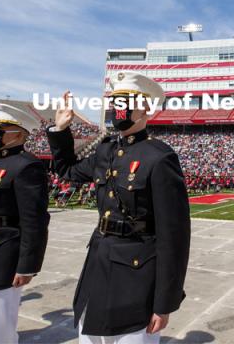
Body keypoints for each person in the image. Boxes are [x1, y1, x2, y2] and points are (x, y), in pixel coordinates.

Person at [46, 72, 191, 343]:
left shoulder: (159, 157)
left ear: (146, 108)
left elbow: (174, 237)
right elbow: (66, 170)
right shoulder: (105, 151)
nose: (117, 108)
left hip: (136, 280)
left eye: (125, 102)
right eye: (115, 102)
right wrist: (60, 131)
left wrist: (164, 302)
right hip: (97, 268)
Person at [0, 103, 50, 344]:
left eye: (0, 129)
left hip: (3, 256)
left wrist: (27, 266)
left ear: (18, 134)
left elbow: (34, 220)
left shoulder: (27, 166)